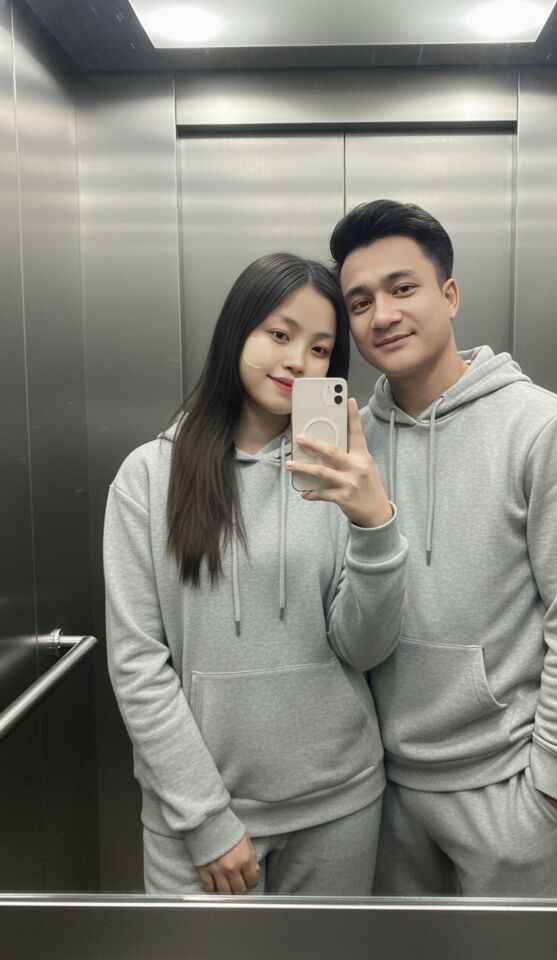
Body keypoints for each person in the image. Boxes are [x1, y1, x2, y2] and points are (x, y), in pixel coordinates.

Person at [329, 199, 557, 898]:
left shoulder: (545, 428)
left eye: (403, 288)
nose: (382, 315)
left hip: (507, 790)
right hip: (379, 793)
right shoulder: (349, 444)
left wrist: (548, 787)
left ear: (450, 295)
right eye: (360, 302)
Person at [103, 252, 407, 896]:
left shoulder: (341, 476)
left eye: (320, 348)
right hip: (195, 818)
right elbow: (137, 664)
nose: (298, 361)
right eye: (279, 333)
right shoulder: (148, 478)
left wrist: (374, 524)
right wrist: (206, 820)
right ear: (236, 333)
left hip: (339, 803)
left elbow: (365, 647)